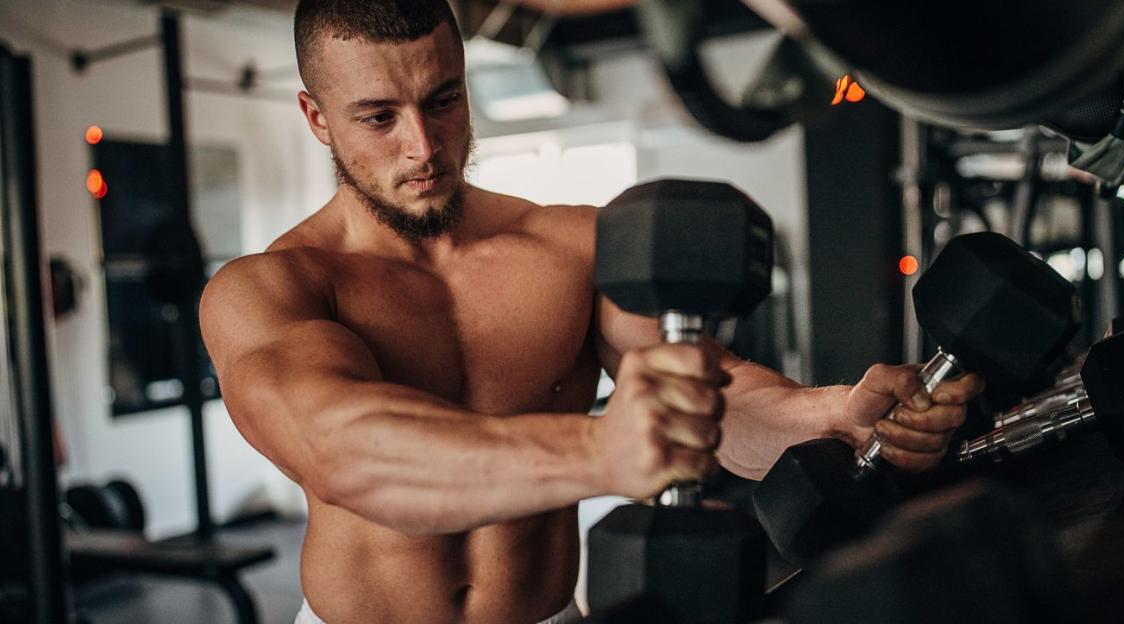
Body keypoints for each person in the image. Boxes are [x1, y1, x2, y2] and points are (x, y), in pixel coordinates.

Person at [198, 1, 984, 622]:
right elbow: (342, 453)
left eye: (442, 101)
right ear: (316, 117)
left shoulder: (571, 245)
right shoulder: (269, 290)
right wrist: (598, 452)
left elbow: (714, 399)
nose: (424, 146)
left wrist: (832, 413)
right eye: (379, 117)